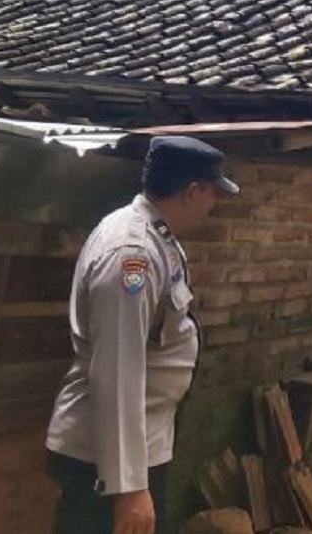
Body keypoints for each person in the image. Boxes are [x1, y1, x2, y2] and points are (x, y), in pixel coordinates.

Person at [46, 136, 240, 534]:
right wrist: (128, 487)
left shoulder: (158, 238)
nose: (213, 205)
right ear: (192, 191)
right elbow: (116, 372)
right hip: (104, 460)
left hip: (138, 447)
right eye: (212, 194)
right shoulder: (130, 254)